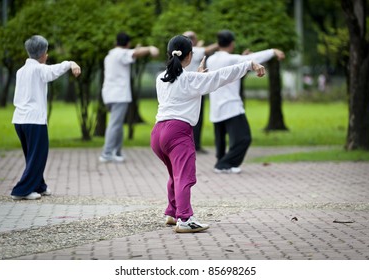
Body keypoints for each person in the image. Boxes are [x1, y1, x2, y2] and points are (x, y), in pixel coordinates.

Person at [150, 35, 265, 233]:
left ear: (169, 54)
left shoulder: (160, 78)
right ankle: (185, 219)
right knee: (184, 177)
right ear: (189, 56)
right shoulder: (193, 79)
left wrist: (198, 75)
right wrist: (249, 64)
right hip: (178, 132)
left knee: (174, 175)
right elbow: (220, 76)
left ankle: (172, 212)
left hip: (158, 133)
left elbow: (183, 83)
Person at [11, 35, 81, 200]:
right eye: (47, 52)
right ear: (42, 53)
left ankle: (39, 186)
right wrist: (71, 63)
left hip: (19, 120)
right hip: (34, 120)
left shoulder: (21, 71)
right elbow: (53, 71)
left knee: (32, 155)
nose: (47, 55)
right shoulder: (39, 69)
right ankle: (21, 191)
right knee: (38, 155)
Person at [207, 30, 285, 174]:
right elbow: (255, 58)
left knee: (221, 140)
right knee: (244, 138)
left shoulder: (210, 60)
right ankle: (223, 165)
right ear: (232, 44)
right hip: (231, 106)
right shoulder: (231, 59)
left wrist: (241, 58)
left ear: (218, 43)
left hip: (216, 107)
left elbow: (231, 67)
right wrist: (273, 51)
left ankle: (221, 162)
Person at [99, 32, 159, 163]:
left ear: (116, 42)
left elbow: (132, 53)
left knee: (118, 124)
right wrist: (150, 48)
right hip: (119, 95)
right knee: (115, 124)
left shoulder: (110, 55)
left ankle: (116, 151)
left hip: (109, 94)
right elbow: (133, 53)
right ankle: (107, 153)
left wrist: (136, 49)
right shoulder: (122, 53)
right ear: (127, 44)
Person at [183, 31, 218, 154]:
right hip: (196, 88)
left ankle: (188, 144)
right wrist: (220, 43)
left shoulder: (183, 51)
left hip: (184, 89)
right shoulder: (194, 51)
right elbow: (207, 50)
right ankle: (195, 145)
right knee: (197, 118)